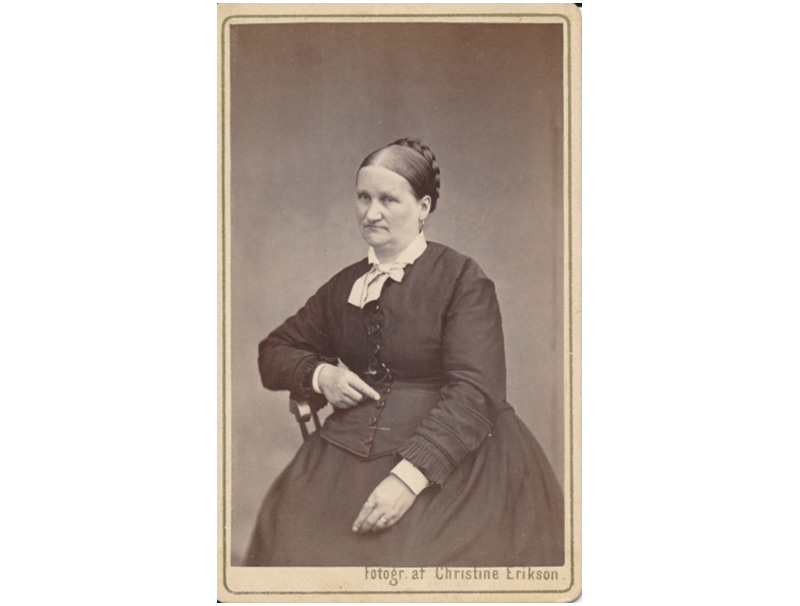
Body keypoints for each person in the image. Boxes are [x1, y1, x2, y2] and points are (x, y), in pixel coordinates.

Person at [245, 138, 564, 566]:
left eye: (388, 199)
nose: (371, 212)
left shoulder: (462, 279)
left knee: (421, 553)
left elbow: (475, 391)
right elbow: (273, 352)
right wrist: (323, 376)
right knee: (289, 535)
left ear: (423, 207)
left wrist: (409, 479)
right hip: (346, 455)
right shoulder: (344, 287)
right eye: (363, 197)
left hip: (456, 457)